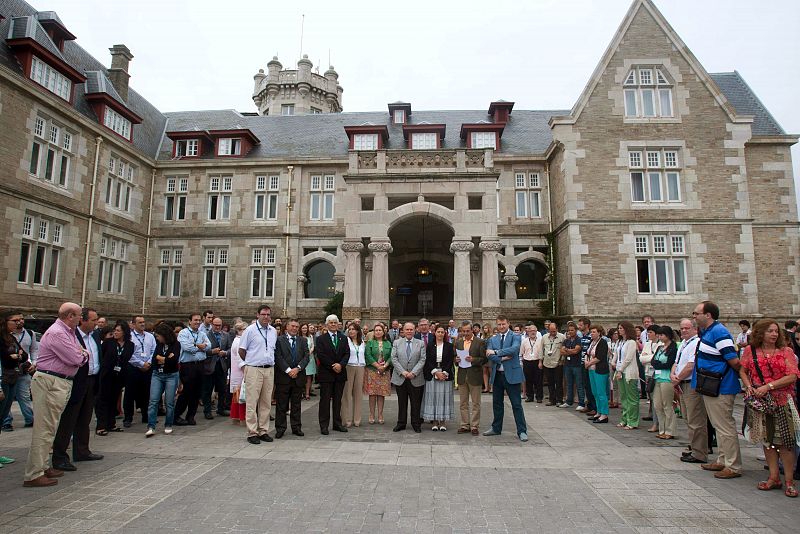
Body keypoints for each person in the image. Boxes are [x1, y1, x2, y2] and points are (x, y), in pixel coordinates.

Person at [23, 302, 88, 487]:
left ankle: (42, 466)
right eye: (79, 315)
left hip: (60, 381)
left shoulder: (68, 332)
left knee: (51, 427)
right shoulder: (58, 333)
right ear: (70, 316)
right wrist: (83, 355)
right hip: (50, 381)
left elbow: (80, 353)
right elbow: (76, 358)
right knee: (44, 429)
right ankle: (34, 473)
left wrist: (82, 354)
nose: (80, 318)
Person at [739, 319, 799, 497]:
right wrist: (749, 386)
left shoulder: (786, 351)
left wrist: (768, 386)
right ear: (760, 333)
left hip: (781, 400)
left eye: (776, 331)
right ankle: (773, 477)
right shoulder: (751, 351)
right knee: (768, 440)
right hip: (761, 402)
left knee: (786, 442)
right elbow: (742, 370)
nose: (774, 334)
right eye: (770, 331)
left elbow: (793, 375)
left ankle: (789, 480)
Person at [693, 300, 742, 479]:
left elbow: (734, 360)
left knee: (724, 426)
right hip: (711, 385)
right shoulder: (708, 332)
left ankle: (733, 465)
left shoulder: (719, 333)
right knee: (718, 425)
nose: (694, 316)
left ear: (708, 315)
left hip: (721, 385)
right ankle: (722, 459)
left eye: (696, 313)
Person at [52, 308, 104, 471]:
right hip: (76, 380)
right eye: (94, 320)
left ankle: (82, 450)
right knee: (69, 418)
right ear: (83, 320)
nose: (96, 323)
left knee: (85, 417)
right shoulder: (72, 335)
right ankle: (60, 456)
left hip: (92, 379)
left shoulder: (95, 335)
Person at [483, 316, 527, 441]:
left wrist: (496, 352)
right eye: (499, 324)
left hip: (512, 375)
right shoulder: (493, 338)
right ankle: (496, 428)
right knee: (497, 403)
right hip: (497, 375)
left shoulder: (515, 336)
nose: (501, 326)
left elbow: (514, 349)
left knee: (516, 404)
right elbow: (488, 354)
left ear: (508, 323)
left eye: (503, 324)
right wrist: (501, 358)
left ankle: (522, 431)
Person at [238, 305, 278, 444]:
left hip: (269, 368)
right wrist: (251, 362)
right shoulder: (250, 330)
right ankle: (252, 432)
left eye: (268, 314)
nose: (266, 317)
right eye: (263, 314)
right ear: (257, 315)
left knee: (266, 402)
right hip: (254, 368)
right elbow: (241, 350)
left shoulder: (273, 331)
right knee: (252, 401)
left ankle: (263, 430)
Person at [671, 319, 707, 464]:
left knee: (695, 419)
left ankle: (700, 452)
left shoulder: (696, 343)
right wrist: (673, 374)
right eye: (682, 328)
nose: (684, 331)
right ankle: (693, 446)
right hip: (681, 383)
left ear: (695, 329)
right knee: (687, 417)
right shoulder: (683, 344)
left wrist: (678, 377)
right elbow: (676, 362)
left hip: (690, 383)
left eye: (687, 328)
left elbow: (691, 365)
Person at [274, 318, 310, 439]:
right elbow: (278, 357)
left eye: (296, 326)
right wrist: (289, 370)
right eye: (292, 326)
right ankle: (280, 428)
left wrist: (298, 368)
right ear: (287, 327)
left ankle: (296, 427)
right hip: (284, 377)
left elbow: (306, 357)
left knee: (296, 404)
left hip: (298, 376)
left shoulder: (303, 340)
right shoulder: (279, 340)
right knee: (281, 405)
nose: (295, 328)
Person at [96, 321, 133, 435]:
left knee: (113, 400)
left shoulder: (130, 345)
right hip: (107, 374)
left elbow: (127, 359)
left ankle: (111, 424)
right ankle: (101, 426)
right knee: (103, 399)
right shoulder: (108, 343)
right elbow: (101, 356)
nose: (115, 333)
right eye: (115, 330)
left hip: (119, 376)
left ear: (124, 332)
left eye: (118, 331)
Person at [2, 311, 37, 430]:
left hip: (19, 372)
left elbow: (27, 353)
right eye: (15, 320)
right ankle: (6, 422)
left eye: (21, 319)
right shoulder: (3, 337)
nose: (19, 322)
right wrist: (16, 355)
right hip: (5, 374)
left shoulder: (26, 334)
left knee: (23, 397)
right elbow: (5, 357)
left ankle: (29, 419)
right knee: (5, 403)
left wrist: (29, 361)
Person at [145, 323, 181, 437]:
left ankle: (168, 424)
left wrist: (163, 359)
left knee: (169, 402)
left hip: (171, 375)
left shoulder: (176, 344)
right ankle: (151, 426)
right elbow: (155, 358)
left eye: (158, 335)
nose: (157, 338)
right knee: (153, 401)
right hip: (157, 374)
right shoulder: (158, 344)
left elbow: (173, 360)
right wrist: (165, 358)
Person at [316, 314, 350, 435]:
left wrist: (341, 365)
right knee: (325, 401)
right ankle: (324, 425)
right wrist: (333, 365)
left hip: (340, 374)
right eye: (331, 323)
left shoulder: (343, 338)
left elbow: (347, 353)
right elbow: (321, 354)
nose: (333, 324)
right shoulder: (320, 339)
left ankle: (337, 423)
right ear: (327, 324)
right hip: (326, 374)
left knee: (338, 400)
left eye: (335, 322)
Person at [174, 314, 210, 426]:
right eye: (195, 320)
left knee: (197, 392)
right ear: (189, 321)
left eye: (199, 320)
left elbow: (209, 346)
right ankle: (176, 416)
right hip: (188, 366)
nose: (198, 322)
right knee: (187, 391)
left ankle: (191, 416)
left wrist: (197, 346)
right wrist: (199, 346)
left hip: (200, 365)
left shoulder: (202, 333)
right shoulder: (183, 333)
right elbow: (186, 348)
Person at [391, 322, 425, 433]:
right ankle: (401, 423)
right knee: (402, 402)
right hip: (400, 377)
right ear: (403, 331)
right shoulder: (397, 342)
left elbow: (422, 359)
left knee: (416, 402)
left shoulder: (420, 343)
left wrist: (413, 373)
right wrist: (403, 372)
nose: (409, 331)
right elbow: (394, 359)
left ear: (415, 330)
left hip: (416, 377)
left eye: (411, 329)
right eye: (407, 329)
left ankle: (416, 423)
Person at [453, 321, 486, 435]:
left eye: (468, 331)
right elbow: (455, 358)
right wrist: (456, 361)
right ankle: (464, 424)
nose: (465, 333)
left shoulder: (480, 342)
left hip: (474, 375)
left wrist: (473, 360)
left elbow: (484, 359)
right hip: (462, 375)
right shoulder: (458, 342)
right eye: (463, 331)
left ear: (472, 330)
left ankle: (475, 426)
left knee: (476, 403)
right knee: (463, 402)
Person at [421, 325, 455, 431]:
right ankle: (435, 421)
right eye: (438, 332)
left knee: (444, 398)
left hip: (445, 374)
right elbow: (427, 361)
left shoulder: (449, 346)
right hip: (433, 373)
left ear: (445, 333)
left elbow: (450, 361)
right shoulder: (430, 346)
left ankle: (443, 422)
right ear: (434, 333)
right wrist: (435, 372)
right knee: (434, 398)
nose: (440, 334)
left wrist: (444, 373)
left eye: (442, 332)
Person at [124, 316, 155, 428]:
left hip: (147, 367)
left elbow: (153, 350)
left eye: (143, 322)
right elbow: (128, 354)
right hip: (133, 367)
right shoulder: (129, 337)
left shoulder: (150, 336)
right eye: (139, 322)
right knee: (130, 393)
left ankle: (146, 415)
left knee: (146, 393)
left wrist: (149, 363)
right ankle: (128, 417)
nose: (142, 324)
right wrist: (141, 364)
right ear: (133, 324)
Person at [651, 325, 678, 439]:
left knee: (667, 405)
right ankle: (662, 429)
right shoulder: (659, 348)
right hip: (658, 377)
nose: (660, 337)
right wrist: (658, 364)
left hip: (667, 378)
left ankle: (670, 430)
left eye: (662, 335)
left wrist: (659, 364)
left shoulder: (673, 348)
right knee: (657, 404)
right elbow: (653, 361)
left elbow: (669, 363)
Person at [203, 317, 232, 419]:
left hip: (222, 365)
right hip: (209, 365)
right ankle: (207, 411)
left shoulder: (226, 335)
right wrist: (212, 352)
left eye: (219, 325)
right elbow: (202, 350)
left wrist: (225, 353)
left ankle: (221, 408)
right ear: (212, 324)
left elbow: (230, 348)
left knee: (222, 389)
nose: (217, 327)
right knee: (208, 389)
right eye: (215, 325)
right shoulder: (206, 335)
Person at [364, 323, 392, 425]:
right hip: (373, 371)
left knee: (381, 394)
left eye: (380, 330)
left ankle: (380, 414)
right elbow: (368, 355)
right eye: (376, 330)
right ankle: (371, 414)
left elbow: (391, 356)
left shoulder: (388, 343)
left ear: (383, 332)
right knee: (372, 394)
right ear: (373, 332)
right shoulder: (370, 343)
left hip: (384, 371)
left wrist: (385, 366)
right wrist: (377, 366)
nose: (378, 332)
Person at [614, 321, 640, 430]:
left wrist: (620, 369)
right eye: (619, 328)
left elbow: (628, 358)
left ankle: (632, 420)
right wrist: (613, 362)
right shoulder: (619, 342)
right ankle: (624, 418)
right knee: (623, 397)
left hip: (628, 372)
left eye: (621, 328)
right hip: (619, 370)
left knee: (631, 398)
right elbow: (616, 354)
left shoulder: (631, 342)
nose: (619, 330)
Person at [341, 323, 366, 428]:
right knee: (346, 394)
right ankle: (346, 420)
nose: (351, 331)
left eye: (353, 329)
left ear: (357, 331)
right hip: (349, 367)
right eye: (349, 329)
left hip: (360, 367)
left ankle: (357, 420)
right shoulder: (346, 341)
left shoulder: (362, 342)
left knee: (358, 394)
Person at [585, 325, 610, 423]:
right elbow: (588, 353)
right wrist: (586, 363)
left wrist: (589, 363)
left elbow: (600, 357)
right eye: (591, 332)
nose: (592, 333)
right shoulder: (592, 342)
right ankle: (598, 411)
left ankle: (604, 414)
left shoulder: (602, 342)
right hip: (591, 369)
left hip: (600, 370)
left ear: (599, 333)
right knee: (595, 392)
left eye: (594, 332)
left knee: (601, 392)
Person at [560, 322, 586, 411]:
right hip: (567, 365)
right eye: (569, 330)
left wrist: (567, 350)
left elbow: (576, 351)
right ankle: (568, 401)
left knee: (579, 384)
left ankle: (581, 402)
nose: (570, 332)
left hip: (577, 365)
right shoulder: (566, 340)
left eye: (572, 330)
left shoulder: (579, 340)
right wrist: (569, 350)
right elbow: (562, 351)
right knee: (569, 384)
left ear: (576, 330)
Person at [538, 322, 565, 406]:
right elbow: (541, 349)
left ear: (557, 329)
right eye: (551, 331)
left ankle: (559, 399)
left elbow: (564, 349)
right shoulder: (544, 337)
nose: (552, 333)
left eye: (554, 331)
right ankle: (552, 399)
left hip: (557, 363)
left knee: (559, 382)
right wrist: (540, 361)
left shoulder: (562, 337)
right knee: (550, 382)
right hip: (547, 362)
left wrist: (562, 361)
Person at [229, 322, 247, 424]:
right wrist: (246, 372)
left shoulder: (238, 340)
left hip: (237, 372)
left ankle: (236, 417)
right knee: (242, 396)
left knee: (238, 396)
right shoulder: (239, 341)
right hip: (240, 372)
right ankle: (241, 418)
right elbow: (240, 359)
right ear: (239, 331)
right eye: (243, 329)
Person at [521, 323, 543, 402]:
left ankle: (539, 397)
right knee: (528, 380)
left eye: (534, 331)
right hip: (527, 362)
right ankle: (529, 396)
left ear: (537, 331)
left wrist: (540, 361)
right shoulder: (524, 341)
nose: (533, 332)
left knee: (538, 380)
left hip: (537, 361)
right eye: (531, 331)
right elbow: (522, 352)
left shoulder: (541, 340)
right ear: (528, 332)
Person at [300, 323, 316, 400]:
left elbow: (312, 345)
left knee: (309, 377)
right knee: (301, 376)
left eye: (306, 328)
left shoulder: (310, 336)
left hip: (310, 358)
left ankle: (307, 393)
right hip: (301, 358)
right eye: (303, 328)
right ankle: (300, 393)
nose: (304, 330)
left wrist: (310, 351)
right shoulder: (298, 337)